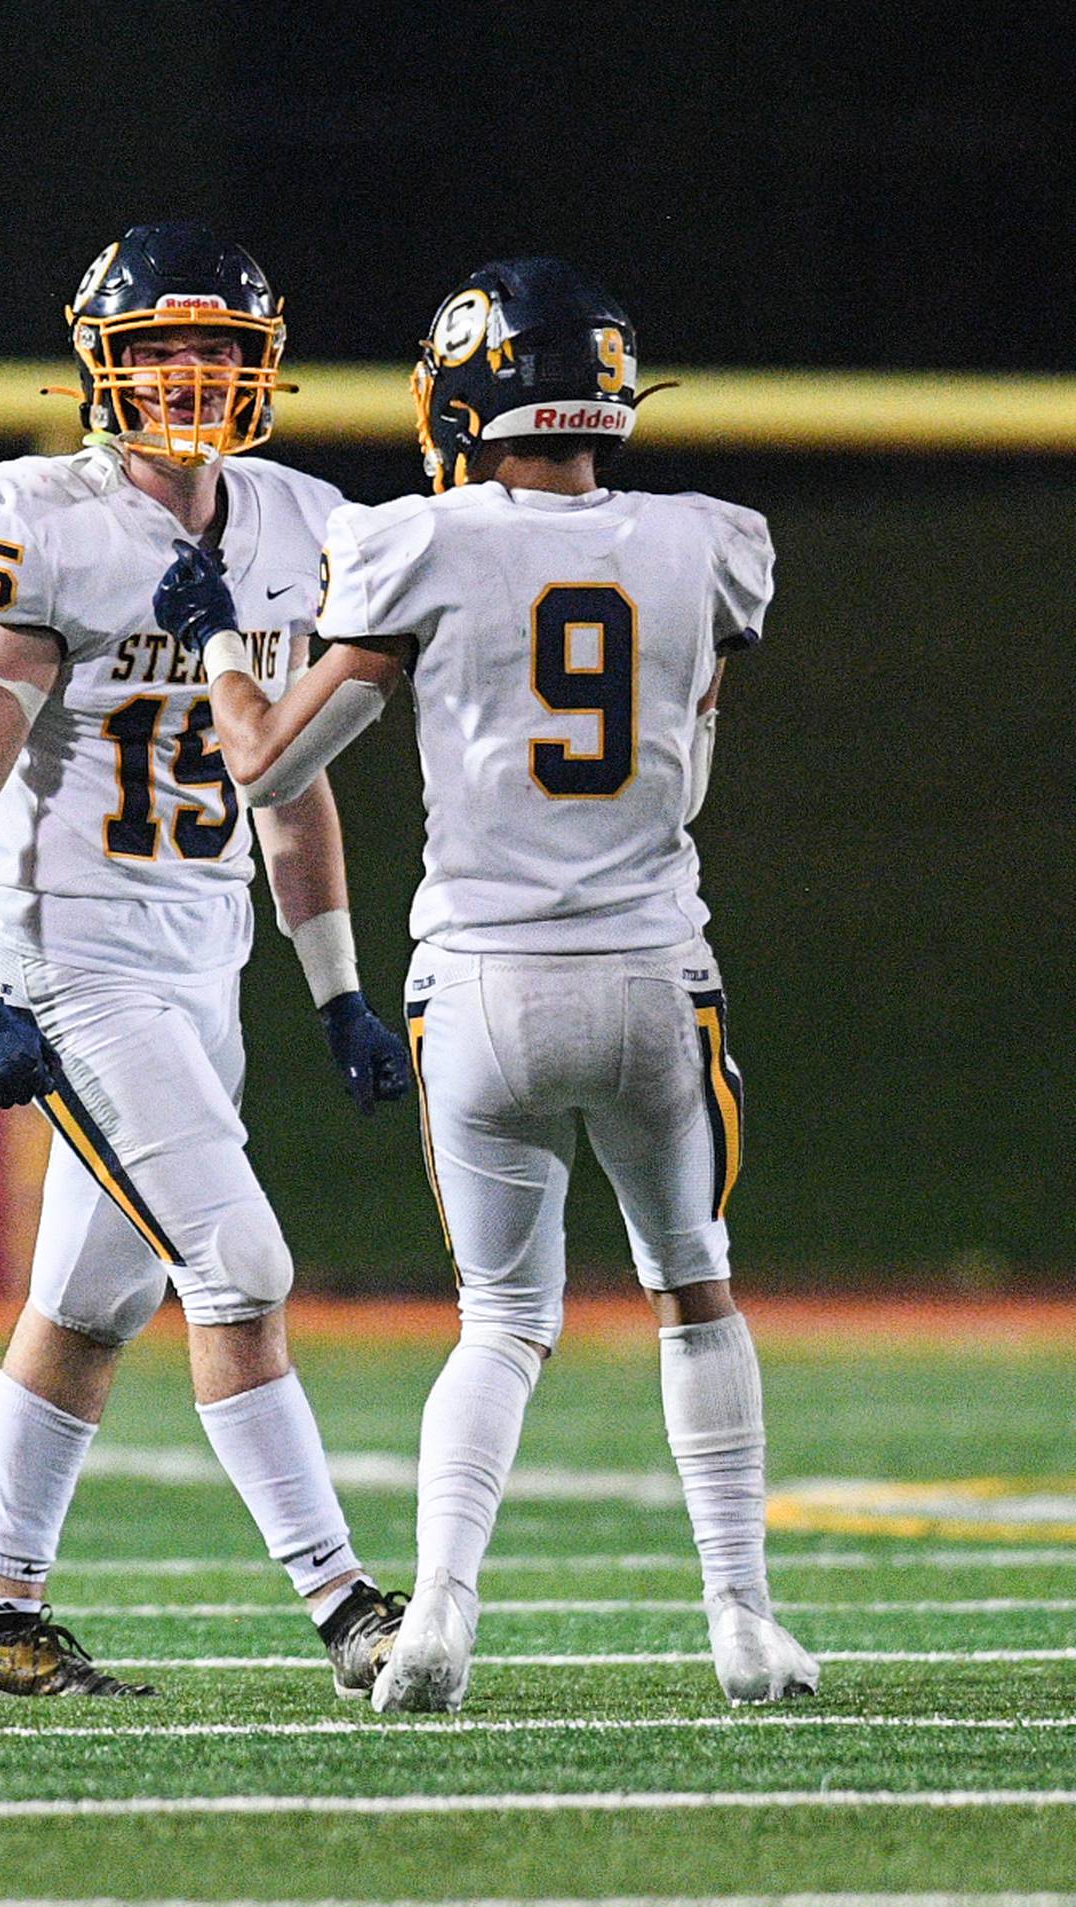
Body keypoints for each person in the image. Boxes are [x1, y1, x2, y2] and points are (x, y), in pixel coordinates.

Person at [150, 256, 821, 1714]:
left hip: (483, 985)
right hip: (653, 976)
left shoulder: (418, 543)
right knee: (696, 1295)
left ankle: (441, 1616)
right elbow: (689, 758)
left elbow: (267, 764)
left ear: (464, 398)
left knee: (503, 1320)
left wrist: (214, 640)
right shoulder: (711, 542)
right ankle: (744, 1626)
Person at [0, 222, 410, 1700]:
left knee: (90, 1306)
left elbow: (293, 778)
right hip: (79, 962)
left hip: (204, 957)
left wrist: (336, 987)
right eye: (158, 350)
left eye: (218, 350)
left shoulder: (305, 523)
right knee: (239, 1265)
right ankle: (346, 1606)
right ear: (102, 368)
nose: (189, 378)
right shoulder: (39, 523)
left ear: (265, 366)